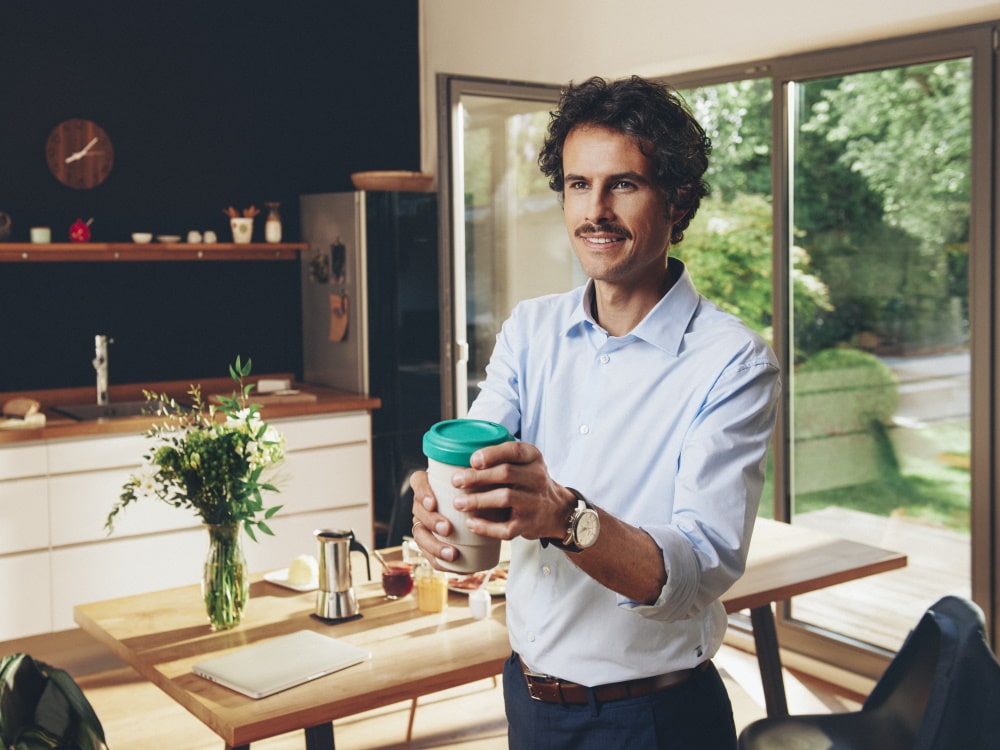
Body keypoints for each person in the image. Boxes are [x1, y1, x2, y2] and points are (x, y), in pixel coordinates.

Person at [410, 75, 781, 749]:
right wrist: (432, 498)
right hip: (528, 701)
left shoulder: (733, 363)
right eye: (579, 184)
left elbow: (698, 571)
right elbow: (475, 456)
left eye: (624, 185)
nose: (595, 210)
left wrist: (561, 517)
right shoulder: (531, 330)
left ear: (677, 201)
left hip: (656, 721)